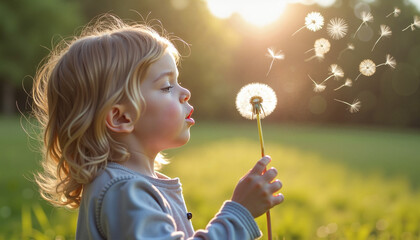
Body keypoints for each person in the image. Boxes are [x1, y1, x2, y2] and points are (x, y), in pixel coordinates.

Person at [32, 14, 284, 239]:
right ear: (121, 118)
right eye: (166, 86)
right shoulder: (125, 191)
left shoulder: (130, 185)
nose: (185, 92)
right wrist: (239, 214)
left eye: (178, 81)